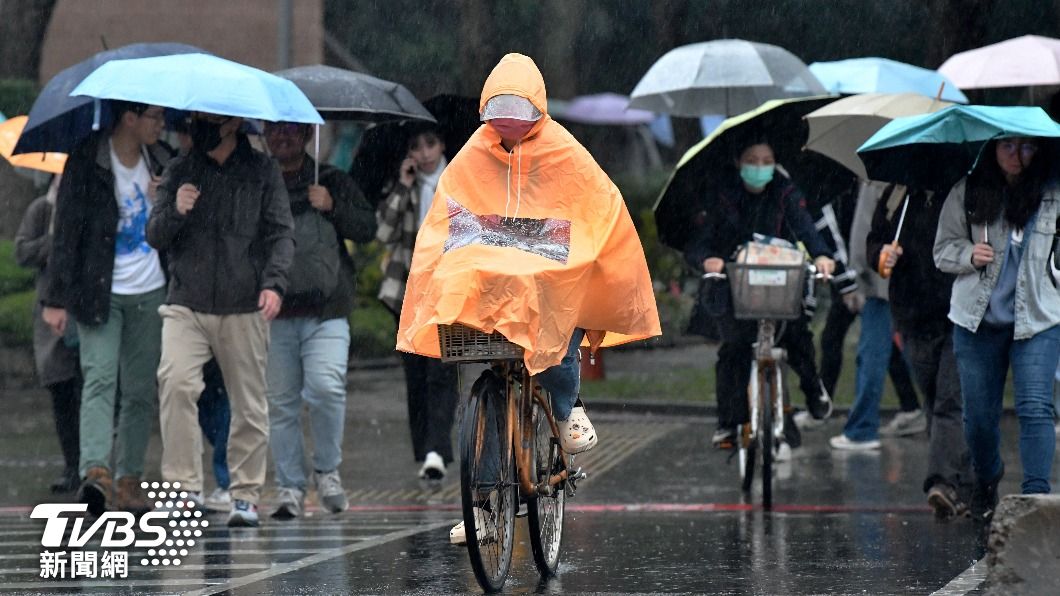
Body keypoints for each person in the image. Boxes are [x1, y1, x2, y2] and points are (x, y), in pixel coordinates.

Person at [394, 54, 660, 545]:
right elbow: (446, 219)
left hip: (548, 279)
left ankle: (565, 405)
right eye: (500, 123)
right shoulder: (477, 152)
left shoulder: (564, 151)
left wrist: (571, 250)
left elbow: (598, 206)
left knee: (562, 320)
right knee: (488, 402)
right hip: (500, 292)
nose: (509, 133)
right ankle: (484, 505)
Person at [147, 111, 294, 527]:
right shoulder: (179, 169)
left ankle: (244, 495)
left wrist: (273, 284)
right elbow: (154, 233)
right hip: (186, 302)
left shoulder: (262, 170)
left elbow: (281, 233)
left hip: (244, 304)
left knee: (248, 405)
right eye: (195, 117)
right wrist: (175, 208)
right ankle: (181, 490)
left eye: (208, 118)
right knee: (175, 382)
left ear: (232, 123)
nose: (198, 125)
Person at [41, 102, 169, 515]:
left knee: (138, 389)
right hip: (100, 291)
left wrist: (163, 197)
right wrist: (55, 299)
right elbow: (66, 231)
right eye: (155, 117)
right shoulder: (87, 160)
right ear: (130, 119)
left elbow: (184, 224)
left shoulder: (164, 160)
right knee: (98, 378)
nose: (161, 125)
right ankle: (95, 474)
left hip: (151, 290)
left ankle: (129, 479)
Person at [934, 136, 1060, 523]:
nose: (1017, 156)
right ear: (992, 149)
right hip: (976, 322)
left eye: (1027, 147)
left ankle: (1036, 499)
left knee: (1036, 408)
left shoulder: (1053, 192)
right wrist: (968, 254)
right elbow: (942, 250)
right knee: (979, 420)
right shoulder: (968, 190)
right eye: (1007, 146)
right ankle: (986, 479)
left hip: (1038, 319)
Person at [682, 140, 837, 450]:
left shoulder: (785, 192)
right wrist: (708, 261)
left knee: (797, 338)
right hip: (733, 287)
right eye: (753, 159)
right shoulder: (720, 195)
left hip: (780, 284)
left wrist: (822, 256)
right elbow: (699, 243)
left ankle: (813, 388)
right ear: (739, 162)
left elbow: (806, 229)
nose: (760, 166)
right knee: (733, 351)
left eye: (767, 160)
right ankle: (728, 425)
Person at [262, 121, 376, 518]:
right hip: (273, 312)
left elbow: (367, 228)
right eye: (273, 130)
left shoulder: (330, 179)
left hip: (327, 311)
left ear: (308, 135)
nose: (282, 137)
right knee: (280, 404)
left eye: (290, 130)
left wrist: (333, 205)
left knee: (327, 389)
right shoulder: (258, 183)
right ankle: (289, 487)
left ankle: (327, 471)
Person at [868, 183, 972, 518]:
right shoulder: (896, 195)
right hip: (912, 314)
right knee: (932, 398)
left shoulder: (965, 192)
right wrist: (881, 256)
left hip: (958, 312)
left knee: (948, 400)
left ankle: (942, 482)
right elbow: (875, 241)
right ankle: (967, 483)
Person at [377, 123, 460, 481]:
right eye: (416, 146)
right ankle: (425, 448)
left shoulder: (459, 177)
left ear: (442, 144)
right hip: (410, 291)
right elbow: (383, 232)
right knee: (415, 374)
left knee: (442, 372)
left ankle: (437, 450)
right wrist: (403, 186)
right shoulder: (405, 185)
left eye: (430, 143)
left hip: (451, 289)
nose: (424, 152)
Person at [811, 177, 922, 435]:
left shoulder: (874, 183)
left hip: (877, 283)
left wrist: (856, 279)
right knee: (907, 349)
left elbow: (862, 238)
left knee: (872, 354)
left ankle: (862, 429)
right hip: (908, 282)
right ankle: (923, 410)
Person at [15, 175, 82, 494]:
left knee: (92, 387)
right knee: (61, 389)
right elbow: (23, 251)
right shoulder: (42, 209)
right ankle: (72, 464)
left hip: (85, 306)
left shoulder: (90, 204)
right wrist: (54, 238)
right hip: (50, 311)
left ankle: (94, 464)